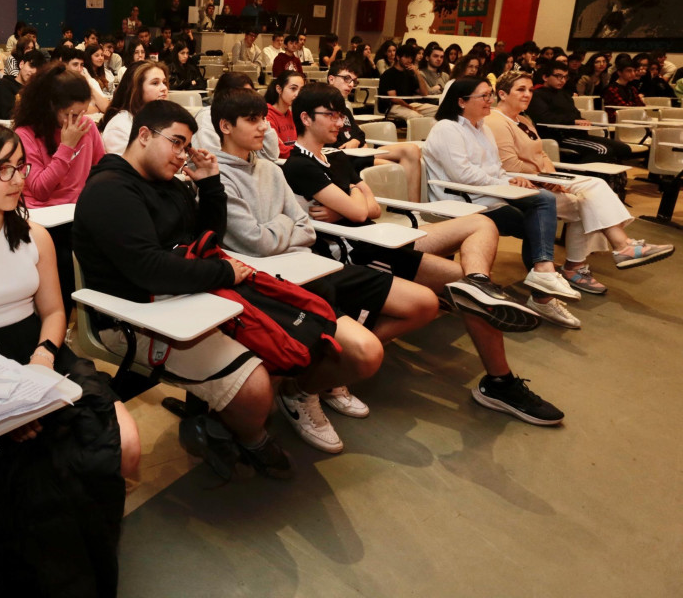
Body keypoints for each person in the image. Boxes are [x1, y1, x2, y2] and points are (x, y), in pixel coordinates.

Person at [216, 90, 559, 440]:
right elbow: (335, 217)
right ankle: (331, 374)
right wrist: (335, 208)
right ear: (306, 118)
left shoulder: (332, 157)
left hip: (378, 235)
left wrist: (339, 207)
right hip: (356, 249)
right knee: (446, 289)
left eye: (341, 116)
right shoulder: (296, 165)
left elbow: (369, 210)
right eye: (331, 115)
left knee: (475, 251)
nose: (341, 122)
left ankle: (482, 299)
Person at [0, 122, 136, 590]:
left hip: (41, 354)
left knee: (110, 445)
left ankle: (93, 547)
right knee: (28, 484)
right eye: (3, 169)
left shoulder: (36, 235)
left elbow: (56, 310)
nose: (18, 179)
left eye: (21, 167)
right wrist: (3, 408)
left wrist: (43, 357)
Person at [75, 101, 320, 478]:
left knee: (289, 337)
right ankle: (251, 437)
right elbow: (151, 270)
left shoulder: (168, 184)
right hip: (135, 316)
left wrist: (209, 183)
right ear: (143, 135)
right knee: (255, 387)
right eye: (176, 143)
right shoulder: (110, 191)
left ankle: (217, 422)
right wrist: (223, 273)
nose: (181, 155)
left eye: (186, 146)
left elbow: (207, 240)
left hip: (187, 298)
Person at [488, 71, 672, 300]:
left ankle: (601, 256)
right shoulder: (495, 121)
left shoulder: (524, 120)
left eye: (529, 90)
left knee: (592, 192)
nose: (527, 95)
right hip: (518, 184)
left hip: (542, 178)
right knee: (589, 197)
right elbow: (510, 164)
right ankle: (607, 252)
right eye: (520, 90)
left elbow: (542, 154)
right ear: (502, 94)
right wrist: (547, 179)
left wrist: (553, 177)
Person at [423, 78, 584, 326]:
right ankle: (543, 286)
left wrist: (513, 179)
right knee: (540, 209)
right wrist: (504, 184)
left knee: (540, 212)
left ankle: (543, 280)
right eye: (485, 96)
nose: (491, 101)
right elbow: (462, 175)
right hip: (461, 199)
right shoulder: (446, 128)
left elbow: (496, 168)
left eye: (490, 95)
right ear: (462, 101)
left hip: (487, 195)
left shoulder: (483, 127)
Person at [13, 66, 104, 307]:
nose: (78, 120)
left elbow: (102, 170)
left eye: (83, 112)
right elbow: (40, 189)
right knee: (65, 259)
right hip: (43, 219)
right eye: (70, 114)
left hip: (79, 213)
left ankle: (101, 317)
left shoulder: (88, 127)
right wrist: (67, 147)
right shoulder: (25, 135)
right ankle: (59, 318)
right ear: (51, 105)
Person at [325, 62, 423, 201]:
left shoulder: (344, 109)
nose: (351, 85)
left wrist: (355, 141)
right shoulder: (322, 108)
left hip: (358, 154)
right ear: (331, 79)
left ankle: (415, 209)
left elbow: (360, 134)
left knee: (411, 149)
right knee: (395, 168)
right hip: (345, 159)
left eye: (354, 81)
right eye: (347, 79)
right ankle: (403, 208)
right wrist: (356, 144)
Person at [527, 61, 632, 163]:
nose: (562, 80)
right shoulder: (537, 95)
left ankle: (608, 177)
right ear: (545, 77)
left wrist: (582, 121)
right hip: (559, 136)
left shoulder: (564, 94)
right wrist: (574, 121)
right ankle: (580, 174)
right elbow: (544, 117)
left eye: (565, 77)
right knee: (603, 150)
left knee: (624, 148)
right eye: (558, 76)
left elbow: (575, 114)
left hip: (578, 134)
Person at [192, 72, 280, 161]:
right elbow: (209, 160)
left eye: (250, 93)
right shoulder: (206, 118)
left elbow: (271, 156)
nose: (249, 100)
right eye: (241, 95)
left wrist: (261, 117)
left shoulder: (257, 118)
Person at [99, 61, 169, 155]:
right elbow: (126, 168)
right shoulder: (120, 126)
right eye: (155, 83)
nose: (164, 88)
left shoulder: (160, 119)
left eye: (164, 82)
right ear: (137, 89)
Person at [378, 44, 437, 120]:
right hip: (392, 106)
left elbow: (424, 93)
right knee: (416, 117)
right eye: (406, 57)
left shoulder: (409, 74)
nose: (409, 60)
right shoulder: (388, 74)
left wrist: (418, 73)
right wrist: (410, 108)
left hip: (409, 104)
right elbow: (394, 98)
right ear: (398, 57)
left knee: (438, 111)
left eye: (411, 58)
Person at [0, 47, 43, 121]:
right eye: (31, 66)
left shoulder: (37, 89)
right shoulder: (4, 84)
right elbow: (8, 115)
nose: (33, 72)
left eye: (38, 70)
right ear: (21, 64)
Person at [264, 73, 303, 158]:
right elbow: (279, 150)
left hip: (295, 158)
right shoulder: (266, 115)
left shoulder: (292, 114)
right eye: (293, 89)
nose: (298, 94)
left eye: (301, 90)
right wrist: (304, 152)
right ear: (279, 89)